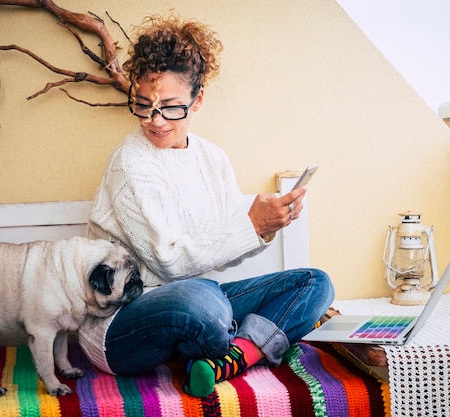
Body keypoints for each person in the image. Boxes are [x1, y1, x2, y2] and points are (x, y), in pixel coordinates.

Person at [77, 14, 335, 398]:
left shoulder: (213, 159)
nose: (155, 119)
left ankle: (232, 357)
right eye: (144, 104)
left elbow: (223, 252)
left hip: (196, 297)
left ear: (197, 100)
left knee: (314, 283)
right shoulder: (131, 163)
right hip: (120, 322)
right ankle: (244, 336)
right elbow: (171, 262)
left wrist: (265, 226)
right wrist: (250, 225)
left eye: (170, 106)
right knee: (202, 302)